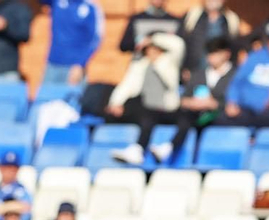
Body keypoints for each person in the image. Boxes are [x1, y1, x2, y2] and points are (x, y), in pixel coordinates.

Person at [98, 31, 186, 166]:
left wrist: (152, 38)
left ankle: (166, 148)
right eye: (148, 49)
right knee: (142, 113)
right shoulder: (140, 65)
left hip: (167, 109)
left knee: (185, 119)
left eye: (153, 48)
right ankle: (137, 150)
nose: (150, 52)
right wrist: (116, 103)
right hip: (147, 109)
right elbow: (127, 85)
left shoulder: (169, 61)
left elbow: (178, 44)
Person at [46, 0, 103, 85]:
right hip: (53, 63)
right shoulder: (58, 2)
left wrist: (80, 64)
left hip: (74, 67)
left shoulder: (90, 7)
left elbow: (95, 39)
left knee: (72, 97)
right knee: (46, 97)